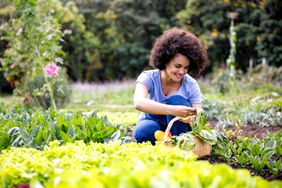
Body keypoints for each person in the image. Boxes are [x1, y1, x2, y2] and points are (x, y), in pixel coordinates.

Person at [133, 27, 208, 145]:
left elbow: (199, 113)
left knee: (177, 99)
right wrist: (173, 110)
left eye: (186, 67)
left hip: (179, 126)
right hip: (154, 122)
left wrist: (194, 117)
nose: (182, 72)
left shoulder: (191, 84)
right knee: (142, 131)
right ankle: (167, 141)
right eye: (177, 66)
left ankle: (179, 143)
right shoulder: (148, 77)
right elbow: (138, 102)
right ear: (165, 60)